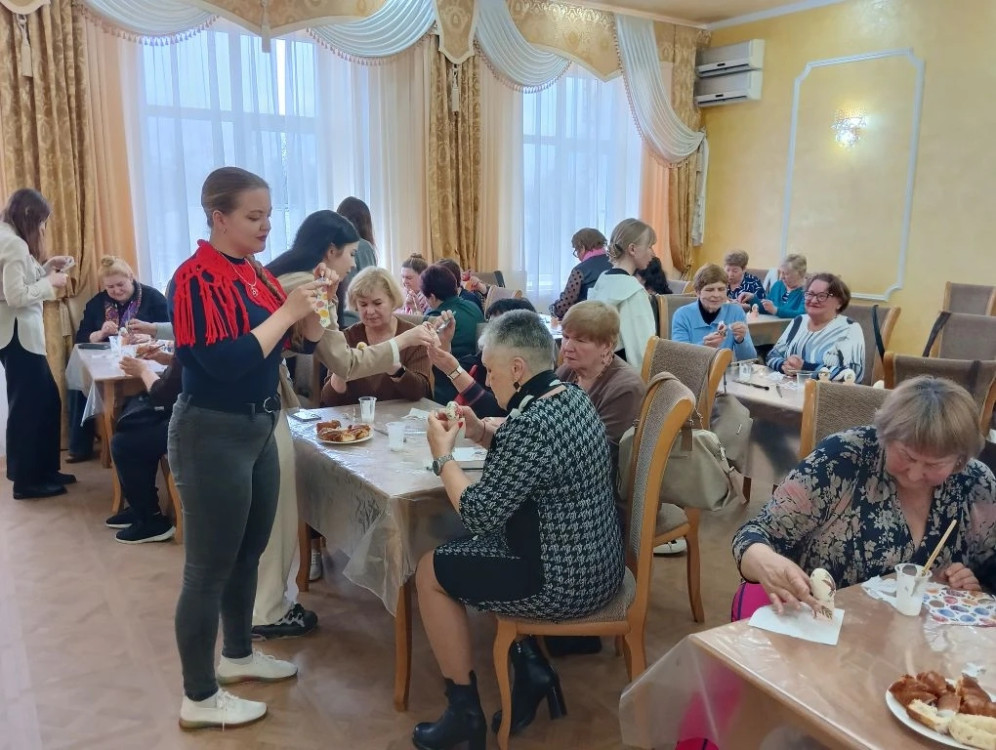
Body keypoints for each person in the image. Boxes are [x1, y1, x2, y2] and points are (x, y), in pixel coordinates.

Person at [413, 311, 624, 749]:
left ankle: (464, 714)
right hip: (602, 564)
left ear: (516, 368)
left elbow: (478, 513)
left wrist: (442, 458)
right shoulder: (568, 394)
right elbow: (536, 459)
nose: (487, 381)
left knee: (431, 570)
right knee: (480, 549)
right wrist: (480, 431)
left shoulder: (531, 423)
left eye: (490, 371)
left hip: (563, 582)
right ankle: (531, 667)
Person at [168, 166, 330, 729]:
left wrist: (314, 309)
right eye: (253, 217)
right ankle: (198, 696)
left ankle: (237, 655)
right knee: (207, 567)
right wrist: (288, 312)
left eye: (268, 215)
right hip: (211, 430)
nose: (266, 227)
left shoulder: (255, 272)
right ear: (219, 218)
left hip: (258, 426)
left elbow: (297, 344)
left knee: (248, 552)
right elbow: (224, 361)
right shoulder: (194, 278)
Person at [256, 211, 439, 639]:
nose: (353, 262)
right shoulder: (307, 286)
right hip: (259, 402)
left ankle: (267, 606)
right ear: (331, 250)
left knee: (277, 510)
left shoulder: (288, 277)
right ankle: (266, 611)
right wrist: (404, 341)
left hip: (258, 400)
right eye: (351, 254)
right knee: (278, 513)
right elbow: (346, 363)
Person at [733, 376, 996, 612]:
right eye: (906, 455)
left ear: (960, 460)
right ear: (886, 436)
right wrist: (765, 560)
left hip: (923, 640)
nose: (915, 474)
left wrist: (972, 585)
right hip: (820, 624)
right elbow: (755, 534)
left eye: (934, 465)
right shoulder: (841, 460)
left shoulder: (975, 483)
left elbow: (989, 569)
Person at [0, 189, 73, 499]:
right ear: (30, 217)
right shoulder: (14, 243)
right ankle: (27, 482)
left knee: (46, 402)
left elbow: (15, 284)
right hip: (18, 336)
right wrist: (50, 282)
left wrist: (45, 268)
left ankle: (44, 470)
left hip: (17, 335)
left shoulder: (8, 237)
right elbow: (16, 296)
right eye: (42, 222)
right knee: (29, 408)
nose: (43, 228)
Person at [68, 255, 169, 462]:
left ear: (131, 277)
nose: (116, 291)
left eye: (120, 284)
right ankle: (80, 447)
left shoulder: (153, 298)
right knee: (79, 385)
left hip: (147, 357)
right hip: (108, 359)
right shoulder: (97, 303)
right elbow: (82, 338)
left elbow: (172, 331)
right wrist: (100, 333)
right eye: (110, 287)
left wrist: (150, 335)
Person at [321, 266, 431, 406]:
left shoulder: (413, 335)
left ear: (393, 301)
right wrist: (342, 369)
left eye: (377, 303)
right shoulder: (347, 337)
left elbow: (419, 392)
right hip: (357, 418)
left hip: (402, 417)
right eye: (363, 304)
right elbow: (327, 400)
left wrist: (391, 363)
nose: (370, 311)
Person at [106, 347, 181, 543]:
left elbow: (162, 395)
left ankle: (151, 520)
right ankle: (142, 507)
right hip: (192, 412)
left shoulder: (196, 334)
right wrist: (169, 359)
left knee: (125, 444)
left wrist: (143, 370)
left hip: (199, 424)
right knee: (135, 424)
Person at [425, 297, 536, 419]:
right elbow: (446, 386)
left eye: (497, 328)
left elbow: (495, 410)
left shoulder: (527, 374)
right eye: (489, 326)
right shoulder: (482, 359)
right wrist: (444, 343)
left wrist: (454, 371)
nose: (489, 333)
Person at [766, 273, 865, 382]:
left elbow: (854, 374)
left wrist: (805, 368)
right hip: (787, 389)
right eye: (810, 294)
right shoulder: (799, 321)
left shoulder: (849, 328)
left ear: (839, 302)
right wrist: (783, 365)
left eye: (822, 296)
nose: (813, 300)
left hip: (826, 392)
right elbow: (771, 356)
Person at [588, 218, 658, 373]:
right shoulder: (634, 292)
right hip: (621, 375)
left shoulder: (603, 281)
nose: (652, 254)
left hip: (596, 370)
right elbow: (643, 349)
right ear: (632, 249)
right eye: (649, 246)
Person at [422, 263, 485, 403]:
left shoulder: (436, 318)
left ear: (432, 297)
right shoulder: (473, 306)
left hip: (447, 383)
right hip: (476, 377)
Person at [671, 264, 757, 360]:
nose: (716, 295)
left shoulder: (736, 312)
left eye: (721, 289)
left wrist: (741, 340)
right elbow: (679, 358)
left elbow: (750, 359)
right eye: (710, 290)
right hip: (693, 369)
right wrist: (704, 346)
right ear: (698, 292)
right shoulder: (682, 315)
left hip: (726, 369)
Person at [334, 196, 378, 329]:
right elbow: (371, 287)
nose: (352, 264)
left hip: (335, 321)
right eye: (352, 254)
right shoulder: (363, 246)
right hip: (354, 320)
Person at [548, 228, 611, 318]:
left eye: (576, 251)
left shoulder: (580, 270)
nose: (578, 256)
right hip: (614, 320)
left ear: (582, 248)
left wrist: (553, 308)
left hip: (589, 320)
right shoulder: (617, 263)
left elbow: (563, 308)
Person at [761, 254, 807, 319]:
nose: (781, 277)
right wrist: (752, 299)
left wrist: (776, 310)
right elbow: (766, 307)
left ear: (800, 273)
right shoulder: (778, 285)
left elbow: (801, 315)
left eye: (786, 274)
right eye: (781, 273)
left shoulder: (808, 291)